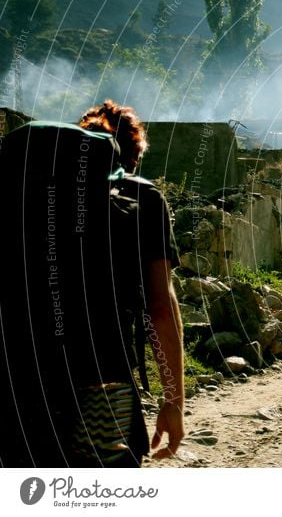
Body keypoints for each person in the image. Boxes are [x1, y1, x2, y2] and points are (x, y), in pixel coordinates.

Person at [0, 100, 184, 467]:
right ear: (130, 156)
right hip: (102, 383)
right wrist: (173, 400)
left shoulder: (24, 198)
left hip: (19, 380)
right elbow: (160, 308)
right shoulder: (143, 198)